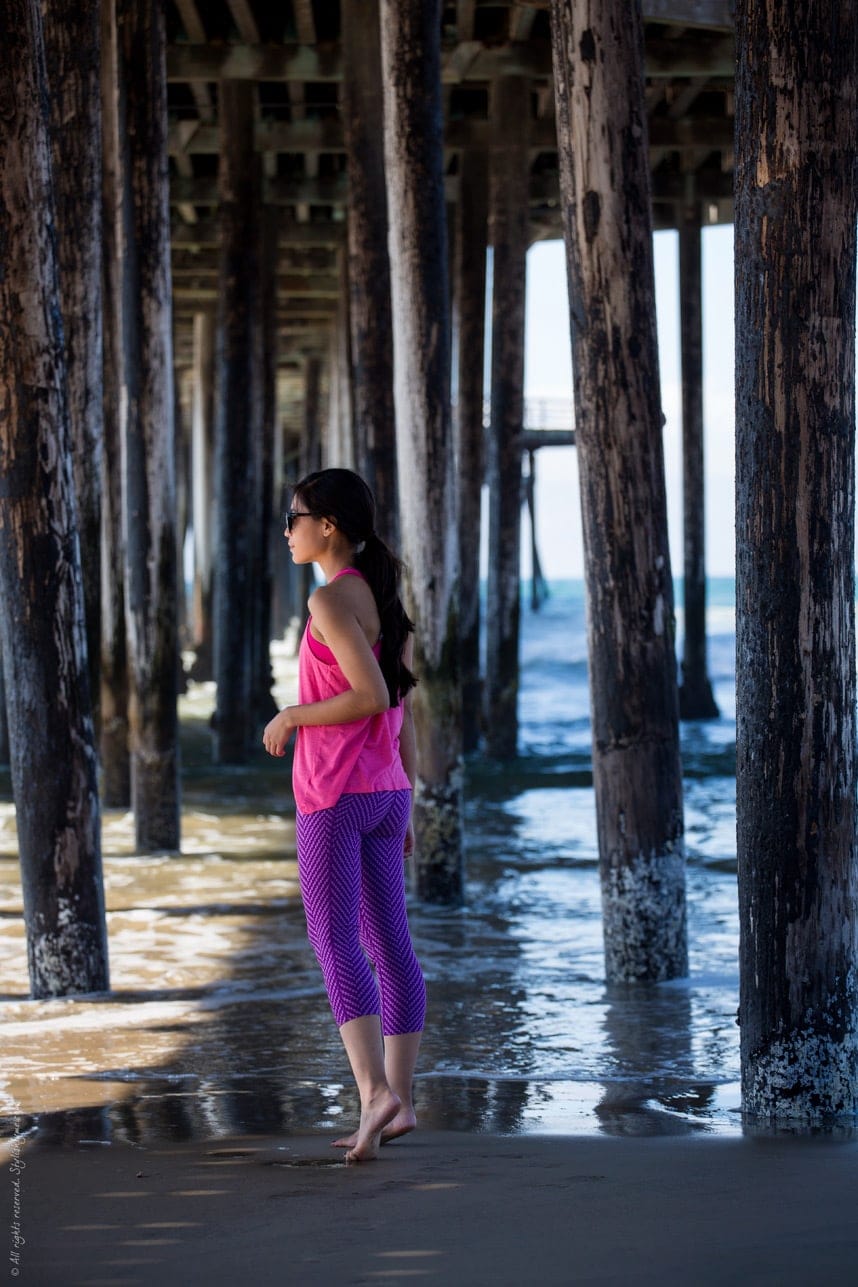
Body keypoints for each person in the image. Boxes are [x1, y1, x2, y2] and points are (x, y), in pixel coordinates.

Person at [262, 468, 426, 1164]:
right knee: (390, 942)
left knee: (333, 940)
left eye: (295, 516)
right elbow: (401, 704)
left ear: (327, 524)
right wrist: (407, 793)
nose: (289, 530)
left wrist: (293, 713)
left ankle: (373, 1094)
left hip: (334, 794)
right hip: (384, 789)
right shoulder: (379, 594)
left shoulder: (332, 599)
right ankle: (400, 1103)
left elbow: (368, 694)